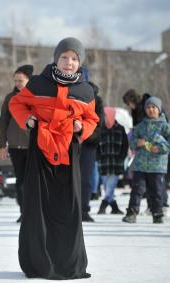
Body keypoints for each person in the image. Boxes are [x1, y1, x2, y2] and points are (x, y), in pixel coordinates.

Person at [9, 37, 98, 279]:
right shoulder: (38, 83)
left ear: (80, 63)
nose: (69, 62)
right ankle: (39, 263)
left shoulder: (86, 90)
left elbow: (93, 119)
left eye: (74, 58)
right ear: (56, 59)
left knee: (69, 208)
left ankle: (68, 263)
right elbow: (16, 103)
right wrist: (26, 119)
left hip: (69, 152)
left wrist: (82, 127)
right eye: (64, 57)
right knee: (38, 207)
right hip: (41, 150)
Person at [122, 97, 170, 224]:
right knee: (137, 190)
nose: (151, 110)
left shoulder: (165, 126)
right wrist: (137, 142)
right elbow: (131, 142)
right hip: (140, 165)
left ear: (159, 109)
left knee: (157, 191)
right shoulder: (141, 126)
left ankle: (157, 214)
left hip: (157, 166)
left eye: (154, 107)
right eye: (148, 107)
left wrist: (160, 148)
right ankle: (132, 213)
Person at [0, 65, 33, 222]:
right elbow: (3, 122)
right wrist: (3, 145)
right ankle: (24, 211)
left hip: (33, 145)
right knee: (20, 180)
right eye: (15, 80)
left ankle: (34, 212)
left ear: (28, 80)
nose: (17, 83)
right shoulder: (10, 98)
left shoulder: (36, 96)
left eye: (21, 80)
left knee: (32, 180)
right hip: (15, 146)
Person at [97, 107, 129, 214]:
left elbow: (125, 145)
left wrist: (122, 157)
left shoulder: (120, 128)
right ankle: (114, 208)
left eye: (106, 116)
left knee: (111, 185)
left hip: (116, 162)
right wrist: (98, 157)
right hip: (104, 162)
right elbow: (96, 145)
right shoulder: (100, 128)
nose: (104, 118)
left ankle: (104, 204)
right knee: (107, 186)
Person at [80, 81, 104, 222]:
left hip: (88, 144)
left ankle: (83, 209)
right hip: (70, 143)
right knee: (69, 179)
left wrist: (84, 135)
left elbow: (99, 124)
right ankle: (70, 209)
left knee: (87, 179)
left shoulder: (97, 101)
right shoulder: (73, 95)